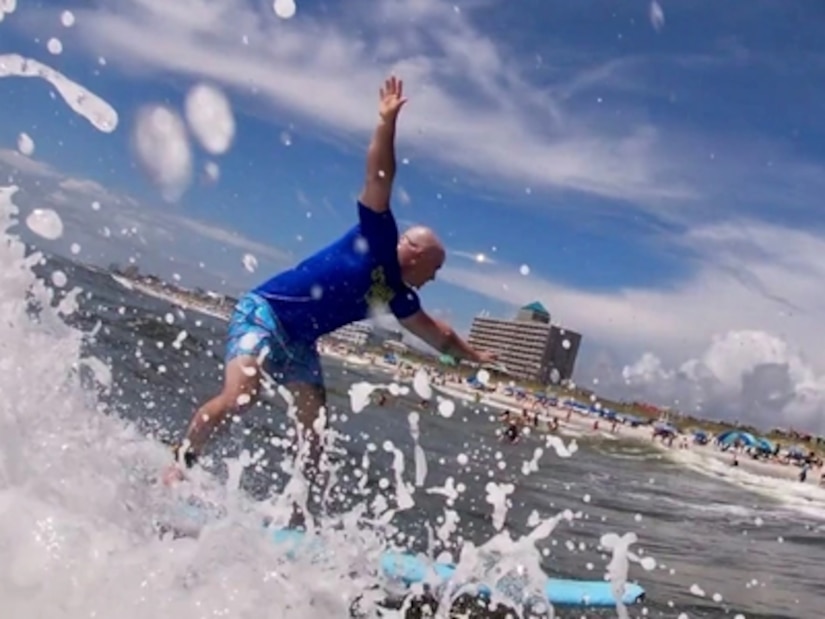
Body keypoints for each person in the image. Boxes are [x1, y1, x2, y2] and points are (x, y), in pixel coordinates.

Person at [165, 76, 496, 485]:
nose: (435, 278)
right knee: (240, 397)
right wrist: (387, 123)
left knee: (315, 430)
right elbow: (380, 177)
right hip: (266, 313)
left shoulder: (396, 294)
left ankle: (301, 516)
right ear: (415, 252)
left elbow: (438, 336)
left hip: (300, 343)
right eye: (436, 268)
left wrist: (474, 356)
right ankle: (179, 464)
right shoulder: (377, 236)